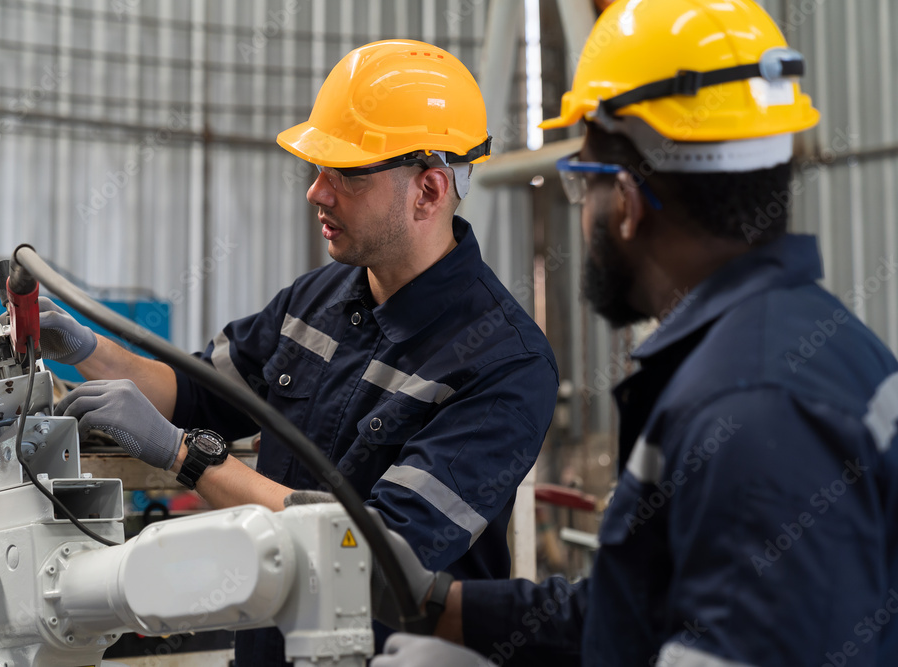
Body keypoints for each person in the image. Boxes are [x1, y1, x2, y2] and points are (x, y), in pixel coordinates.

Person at [370, 1, 898, 665]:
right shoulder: (796, 348)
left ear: (623, 200)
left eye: (581, 183)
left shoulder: (752, 408)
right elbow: (640, 613)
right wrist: (439, 606)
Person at [46, 39, 560, 666]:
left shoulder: (504, 363)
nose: (316, 192)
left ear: (428, 190)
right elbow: (198, 394)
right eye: (318, 169)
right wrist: (88, 347)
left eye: (346, 173)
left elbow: (376, 552)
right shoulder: (313, 300)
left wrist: (187, 458)